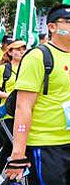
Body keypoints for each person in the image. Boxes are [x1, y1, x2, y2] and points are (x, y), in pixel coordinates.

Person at [5, 4, 70, 184]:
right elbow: (23, 107)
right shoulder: (38, 57)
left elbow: (67, 89)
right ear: (52, 27)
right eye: (68, 21)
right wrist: (17, 155)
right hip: (46, 147)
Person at [0, 40, 26, 172]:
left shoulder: (27, 69)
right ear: (10, 52)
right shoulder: (3, 69)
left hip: (22, 114)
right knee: (12, 145)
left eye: (23, 49)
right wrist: (10, 96)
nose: (21, 52)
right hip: (6, 114)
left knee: (9, 146)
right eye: (17, 49)